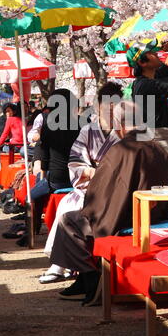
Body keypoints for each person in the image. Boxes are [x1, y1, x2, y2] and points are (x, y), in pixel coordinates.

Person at [49, 100, 168, 306]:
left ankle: (91, 277)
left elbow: (100, 194)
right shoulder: (160, 148)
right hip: (157, 214)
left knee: (69, 221)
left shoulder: (122, 150)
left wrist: (90, 208)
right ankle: (83, 279)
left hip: (127, 218)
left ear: (120, 126)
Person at [39, 82, 123, 283]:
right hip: (89, 186)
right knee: (68, 206)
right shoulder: (87, 130)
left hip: (116, 189)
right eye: (106, 105)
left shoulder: (125, 132)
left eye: (115, 106)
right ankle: (61, 265)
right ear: (97, 106)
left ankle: (70, 266)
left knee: (76, 210)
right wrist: (88, 171)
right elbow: (75, 160)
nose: (111, 110)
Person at [30, 89, 82, 236]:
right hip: (81, 178)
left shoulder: (49, 125)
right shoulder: (84, 123)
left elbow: (44, 160)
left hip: (58, 181)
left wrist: (43, 175)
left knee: (32, 195)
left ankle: (33, 229)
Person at [127, 36, 168, 128]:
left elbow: (167, 68)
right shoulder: (146, 85)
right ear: (142, 63)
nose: (155, 53)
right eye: (150, 52)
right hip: (160, 138)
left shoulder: (145, 81)